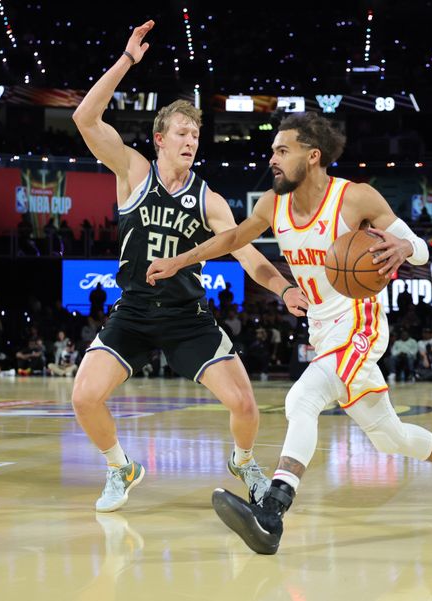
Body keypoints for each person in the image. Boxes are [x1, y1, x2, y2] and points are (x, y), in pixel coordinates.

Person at [147, 112, 432, 554]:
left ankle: (271, 514)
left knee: (303, 399)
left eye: (283, 150)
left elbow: (417, 246)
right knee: (387, 435)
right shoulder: (271, 204)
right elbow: (234, 238)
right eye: (273, 149)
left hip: (361, 323)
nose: (272, 158)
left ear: (312, 155)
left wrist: (405, 247)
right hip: (322, 329)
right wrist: (180, 261)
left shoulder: (355, 198)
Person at [70, 20, 308, 513]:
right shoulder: (133, 171)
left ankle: (245, 463)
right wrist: (127, 61)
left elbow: (248, 255)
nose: (190, 140)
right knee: (84, 396)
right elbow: (85, 119)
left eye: (196, 135)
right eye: (181, 132)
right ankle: (121, 467)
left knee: (244, 404)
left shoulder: (210, 201)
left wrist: (284, 289)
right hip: (134, 311)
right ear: (160, 138)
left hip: (186, 317)